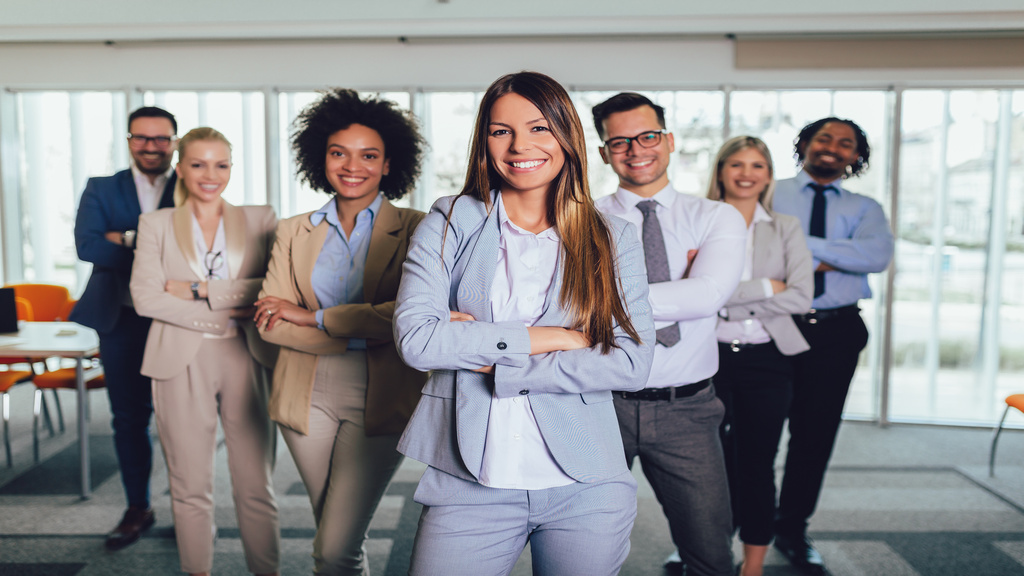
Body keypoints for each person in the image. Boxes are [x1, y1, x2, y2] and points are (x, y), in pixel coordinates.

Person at [393, 71, 655, 576]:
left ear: (567, 136)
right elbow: (418, 340)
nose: (520, 146)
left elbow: (631, 362)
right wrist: (551, 339)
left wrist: (501, 365)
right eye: (500, 131)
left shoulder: (612, 235)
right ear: (484, 141)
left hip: (587, 483)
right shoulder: (451, 219)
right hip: (469, 480)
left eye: (539, 128)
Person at [252, 89, 428, 576]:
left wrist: (311, 318)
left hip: (380, 395)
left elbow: (410, 317)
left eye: (368, 155)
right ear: (321, 159)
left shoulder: (419, 228)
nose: (353, 166)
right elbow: (269, 324)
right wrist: (369, 327)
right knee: (334, 533)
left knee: (334, 546)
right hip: (302, 394)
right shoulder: (292, 231)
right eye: (338, 153)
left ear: (389, 163)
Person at [591, 92, 745, 576]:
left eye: (648, 136)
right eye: (620, 141)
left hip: (688, 410)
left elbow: (707, 297)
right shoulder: (581, 221)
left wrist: (605, 299)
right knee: (580, 552)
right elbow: (565, 306)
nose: (636, 149)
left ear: (669, 140)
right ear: (603, 153)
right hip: (597, 405)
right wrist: (681, 288)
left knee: (711, 554)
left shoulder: (716, 217)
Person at [130, 127, 280, 576]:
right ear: (181, 168)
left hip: (247, 358)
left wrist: (200, 289)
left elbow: (271, 289)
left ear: (231, 168)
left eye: (221, 164)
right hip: (180, 360)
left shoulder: (260, 219)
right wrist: (223, 312)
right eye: (198, 164)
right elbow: (145, 297)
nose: (210, 175)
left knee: (256, 484)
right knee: (189, 484)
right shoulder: (155, 224)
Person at [771, 117, 894, 576]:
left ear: (856, 157)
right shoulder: (768, 191)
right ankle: (741, 526)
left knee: (814, 435)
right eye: (824, 138)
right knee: (750, 435)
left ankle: (792, 528)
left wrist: (798, 246)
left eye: (846, 143)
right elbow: (752, 251)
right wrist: (836, 252)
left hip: (836, 332)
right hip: (769, 325)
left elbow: (877, 256)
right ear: (804, 144)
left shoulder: (866, 207)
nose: (833, 148)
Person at [70, 106, 178, 549]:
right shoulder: (101, 188)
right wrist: (152, 245)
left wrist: (126, 237)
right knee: (129, 418)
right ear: (130, 140)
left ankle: (190, 505)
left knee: (181, 418)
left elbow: (200, 248)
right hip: (121, 318)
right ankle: (138, 506)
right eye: (142, 137)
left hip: (176, 318)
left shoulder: (193, 182)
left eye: (161, 138)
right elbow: (86, 244)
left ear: (174, 140)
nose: (151, 146)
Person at [705, 136, 813, 576]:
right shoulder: (700, 220)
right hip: (708, 358)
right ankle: (704, 548)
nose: (746, 173)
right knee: (705, 467)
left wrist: (726, 299)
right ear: (721, 171)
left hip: (769, 358)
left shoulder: (785, 226)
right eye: (736, 164)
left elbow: (803, 296)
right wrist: (769, 288)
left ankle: (753, 564)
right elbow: (687, 293)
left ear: (768, 174)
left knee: (757, 463)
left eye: (757, 165)